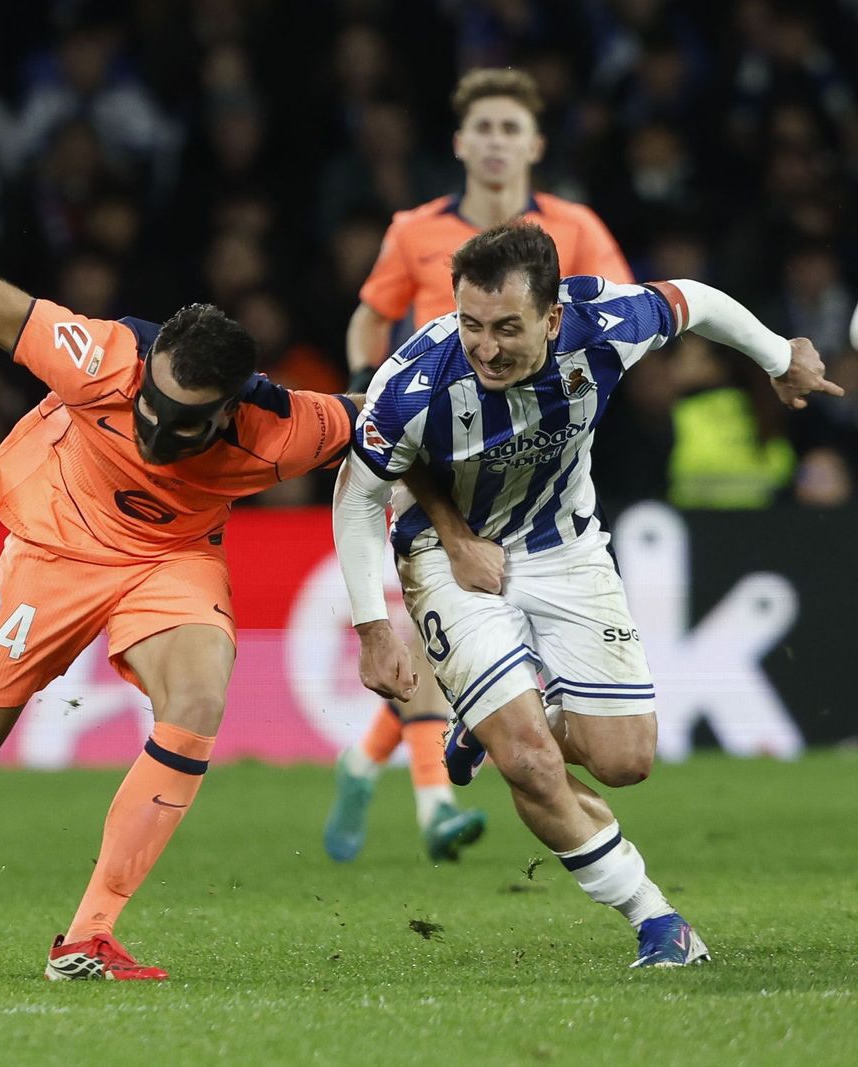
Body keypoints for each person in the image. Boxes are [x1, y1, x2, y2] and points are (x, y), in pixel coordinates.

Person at [0, 111, 359, 980]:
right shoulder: (100, 359)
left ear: (231, 410)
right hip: (54, 539)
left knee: (197, 702)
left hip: (170, 558)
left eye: (182, 420)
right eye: (149, 401)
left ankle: (87, 935)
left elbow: (402, 421)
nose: (152, 423)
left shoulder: (288, 429)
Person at [333, 221, 842, 967]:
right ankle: (656, 919)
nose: (486, 346)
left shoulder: (605, 324)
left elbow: (692, 299)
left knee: (625, 757)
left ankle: (488, 725)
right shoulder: (413, 383)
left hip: (567, 548)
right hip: (447, 559)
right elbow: (354, 497)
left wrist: (776, 356)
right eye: (471, 324)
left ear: (551, 315)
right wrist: (374, 628)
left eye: (508, 327)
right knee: (531, 760)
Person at [325, 68, 634, 866]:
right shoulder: (414, 230)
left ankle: (373, 758)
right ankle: (433, 803)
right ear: (460, 143)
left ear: (534, 144)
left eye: (511, 128)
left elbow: (616, 321)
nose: (496, 143)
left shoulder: (575, 227)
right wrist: (370, 386)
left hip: (536, 459)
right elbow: (370, 316)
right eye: (483, 128)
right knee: (451, 607)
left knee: (466, 650)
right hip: (434, 459)